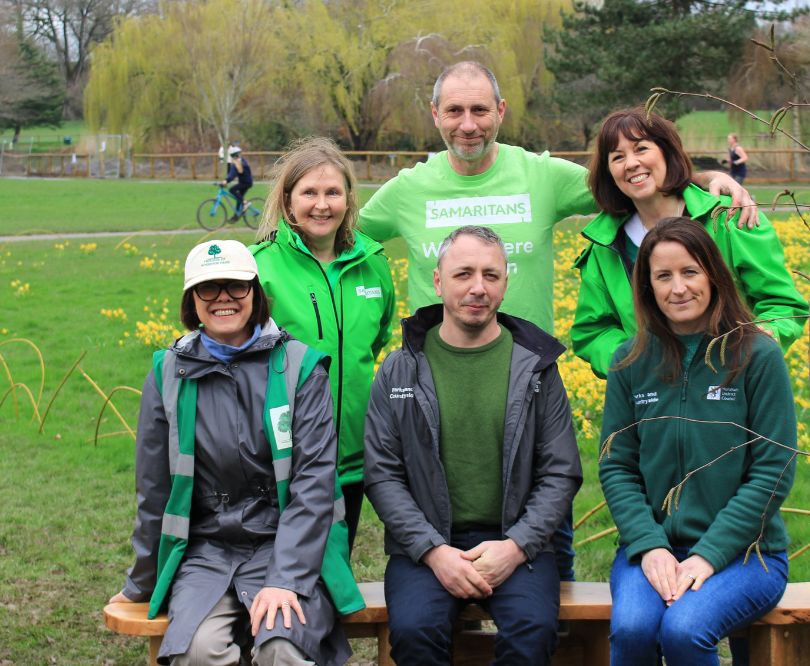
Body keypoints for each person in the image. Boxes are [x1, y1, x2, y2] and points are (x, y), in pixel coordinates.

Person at [358, 60, 760, 334]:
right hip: (434, 368)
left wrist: (706, 178)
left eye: (479, 110)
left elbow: (628, 180)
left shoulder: (543, 175)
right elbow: (333, 235)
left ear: (500, 111)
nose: (468, 125)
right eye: (454, 111)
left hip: (527, 369)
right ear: (435, 114)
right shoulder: (406, 190)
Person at [109, 240, 363, 665]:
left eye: (236, 286)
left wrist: (286, 578)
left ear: (256, 294)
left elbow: (314, 486)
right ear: (192, 300)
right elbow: (154, 491)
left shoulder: (301, 368)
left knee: (282, 646)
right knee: (197, 652)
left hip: (287, 546)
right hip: (206, 552)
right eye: (208, 288)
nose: (223, 298)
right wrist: (141, 582)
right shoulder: (167, 373)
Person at [364, 225, 583, 666]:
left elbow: (560, 471)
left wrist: (517, 546)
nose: (478, 288)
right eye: (463, 274)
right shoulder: (401, 369)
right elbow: (383, 474)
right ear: (439, 281)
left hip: (515, 541)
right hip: (427, 545)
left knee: (532, 633)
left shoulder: (537, 368)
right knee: (413, 633)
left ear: (505, 282)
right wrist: (433, 552)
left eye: (491, 275)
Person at [599, 218, 797, 666]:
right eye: (663, 276)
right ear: (647, 287)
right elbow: (617, 466)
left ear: (713, 275)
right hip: (651, 548)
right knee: (631, 631)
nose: (678, 288)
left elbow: (774, 469)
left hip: (748, 554)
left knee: (685, 631)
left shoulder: (757, 355)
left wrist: (708, 555)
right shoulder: (629, 360)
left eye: (689, 272)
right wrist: (648, 546)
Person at [572, 107, 810, 380]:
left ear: (666, 151)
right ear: (609, 172)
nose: (631, 163)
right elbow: (593, 331)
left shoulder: (730, 218)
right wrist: (636, 362)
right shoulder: (604, 247)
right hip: (653, 401)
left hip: (735, 386)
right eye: (617, 157)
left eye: (641, 149)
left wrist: (760, 340)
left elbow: (781, 303)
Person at [251, 137, 396, 552]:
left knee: (337, 570)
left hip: (352, 457)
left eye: (333, 192)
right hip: (282, 459)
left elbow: (378, 338)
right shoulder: (260, 267)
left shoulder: (374, 264)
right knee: (282, 575)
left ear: (349, 199)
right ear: (287, 200)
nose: (321, 204)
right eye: (309, 192)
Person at [222, 144, 253, 220]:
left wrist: (226, 180)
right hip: (247, 182)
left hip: (245, 183)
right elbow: (234, 173)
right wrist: (227, 180)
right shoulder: (242, 160)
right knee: (239, 198)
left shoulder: (237, 163)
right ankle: (236, 216)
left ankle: (245, 203)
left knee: (232, 190)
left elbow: (232, 174)